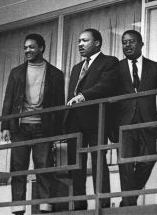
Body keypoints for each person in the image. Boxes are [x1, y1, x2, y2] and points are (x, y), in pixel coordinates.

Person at [1, 33, 65, 215]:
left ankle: (45, 205)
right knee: (18, 167)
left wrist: (58, 131)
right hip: (20, 128)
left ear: (41, 48)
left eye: (31, 47)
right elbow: (8, 100)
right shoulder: (16, 72)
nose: (27, 50)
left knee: (44, 166)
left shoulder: (56, 74)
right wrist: (5, 126)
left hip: (43, 128)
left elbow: (59, 104)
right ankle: (18, 207)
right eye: (25, 47)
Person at [65, 28, 119, 210]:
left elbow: (106, 86)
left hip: (97, 120)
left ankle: (102, 204)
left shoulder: (109, 62)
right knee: (76, 166)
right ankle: (79, 205)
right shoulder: (75, 68)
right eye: (79, 41)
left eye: (85, 41)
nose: (80, 44)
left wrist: (82, 96)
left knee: (98, 162)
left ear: (97, 43)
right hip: (75, 123)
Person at [116, 30, 157, 206]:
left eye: (131, 41)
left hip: (148, 120)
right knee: (125, 164)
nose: (128, 45)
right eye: (124, 42)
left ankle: (127, 201)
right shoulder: (116, 68)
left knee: (149, 159)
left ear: (141, 44)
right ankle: (129, 205)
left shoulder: (155, 67)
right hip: (124, 123)